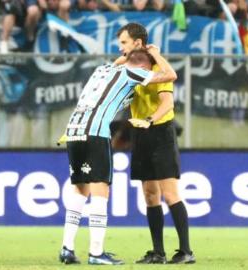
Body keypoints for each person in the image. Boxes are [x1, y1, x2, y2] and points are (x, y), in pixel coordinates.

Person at [58, 47, 177, 265]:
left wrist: (127, 55)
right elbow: (170, 75)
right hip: (95, 132)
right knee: (100, 189)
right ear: (143, 66)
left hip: (73, 131)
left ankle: (67, 248)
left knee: (80, 189)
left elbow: (119, 63)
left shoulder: (102, 69)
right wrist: (157, 56)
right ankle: (96, 253)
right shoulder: (135, 72)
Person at [116, 22, 195, 264]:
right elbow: (112, 67)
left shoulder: (158, 68)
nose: (120, 48)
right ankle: (158, 252)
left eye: (124, 43)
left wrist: (149, 120)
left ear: (137, 42)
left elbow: (167, 105)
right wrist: (125, 57)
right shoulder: (130, 66)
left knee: (170, 194)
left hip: (160, 132)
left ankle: (185, 251)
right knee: (150, 195)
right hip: (140, 134)